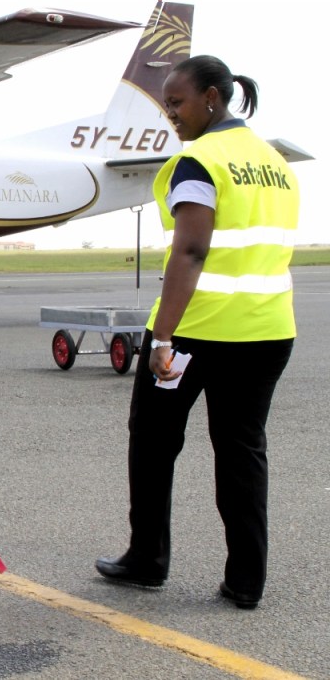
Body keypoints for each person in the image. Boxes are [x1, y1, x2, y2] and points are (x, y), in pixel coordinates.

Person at [95, 55, 300, 610]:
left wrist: (161, 338)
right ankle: (246, 581)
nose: (171, 115)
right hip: (268, 330)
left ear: (212, 97)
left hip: (197, 331)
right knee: (242, 451)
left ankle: (147, 559)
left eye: (178, 102)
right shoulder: (275, 162)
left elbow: (191, 249)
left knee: (154, 443)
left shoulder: (199, 161)